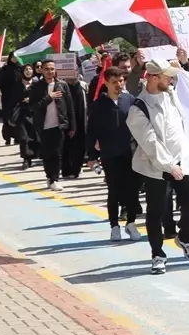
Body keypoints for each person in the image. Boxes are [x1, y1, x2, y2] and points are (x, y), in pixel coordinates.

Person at [128, 60, 189, 275]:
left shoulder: (171, 94)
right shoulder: (138, 108)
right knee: (156, 212)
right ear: (153, 77)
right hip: (156, 167)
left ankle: (185, 237)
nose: (171, 79)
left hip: (181, 160)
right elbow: (150, 143)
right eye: (167, 76)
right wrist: (169, 165)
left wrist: (182, 63)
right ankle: (158, 254)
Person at [87, 66, 142, 242]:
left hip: (131, 153)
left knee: (133, 190)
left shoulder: (130, 100)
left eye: (121, 81)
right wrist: (91, 156)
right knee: (114, 191)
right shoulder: (98, 105)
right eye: (114, 82)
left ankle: (131, 223)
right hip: (110, 154)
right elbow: (91, 131)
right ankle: (114, 226)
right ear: (106, 83)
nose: (118, 85)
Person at [29, 59, 76, 191]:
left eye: (52, 69)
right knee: (47, 153)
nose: (50, 72)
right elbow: (33, 107)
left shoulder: (62, 84)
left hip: (59, 125)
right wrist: (49, 97)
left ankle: (55, 179)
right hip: (43, 126)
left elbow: (70, 106)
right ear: (42, 70)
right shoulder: (37, 87)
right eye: (47, 69)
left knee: (57, 153)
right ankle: (49, 176)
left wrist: (72, 125)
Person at [11, 64, 38, 169]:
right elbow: (12, 100)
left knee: (35, 137)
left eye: (30, 69)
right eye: (26, 69)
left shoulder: (37, 85)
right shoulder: (17, 85)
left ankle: (34, 156)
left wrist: (31, 100)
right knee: (23, 138)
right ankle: (26, 159)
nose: (28, 71)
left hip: (34, 115)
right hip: (22, 115)